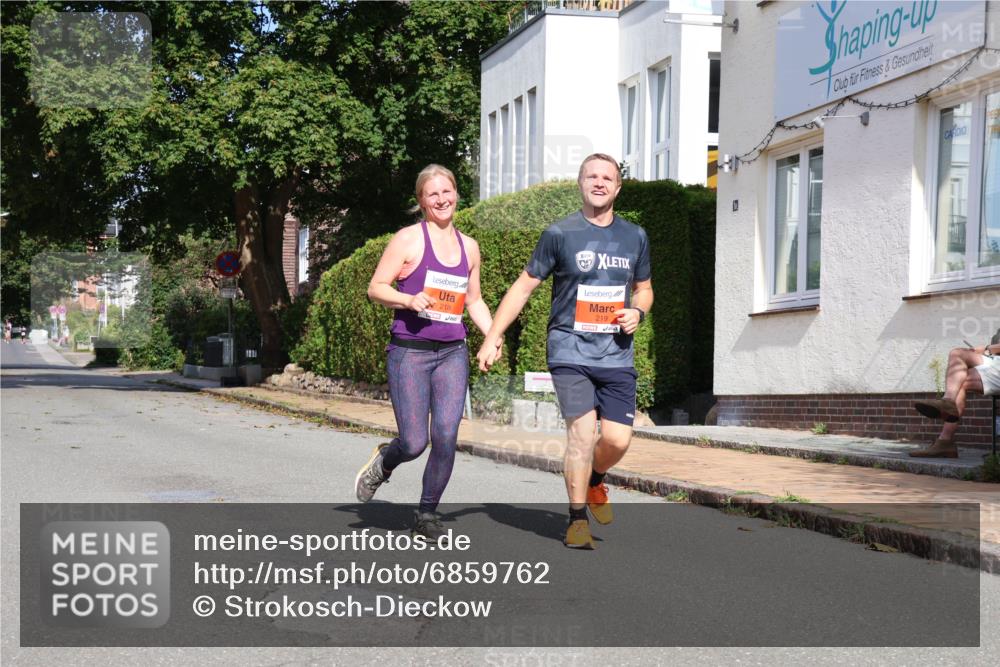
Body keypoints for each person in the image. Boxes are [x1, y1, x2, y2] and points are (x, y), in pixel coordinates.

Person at [477, 153, 653, 549]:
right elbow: (524, 286)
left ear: (617, 187)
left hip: (616, 353)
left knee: (618, 439)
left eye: (607, 177)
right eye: (591, 175)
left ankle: (594, 480)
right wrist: (493, 335)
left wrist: (638, 311)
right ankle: (576, 519)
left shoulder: (635, 236)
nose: (599, 182)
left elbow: (644, 288)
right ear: (580, 182)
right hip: (569, 349)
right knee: (580, 433)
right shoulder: (560, 233)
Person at [355, 164, 497, 542]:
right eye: (432, 194)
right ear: (421, 201)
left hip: (452, 352)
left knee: (447, 436)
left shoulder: (470, 247)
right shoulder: (407, 240)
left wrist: (493, 336)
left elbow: (475, 299)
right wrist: (407, 298)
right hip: (410, 352)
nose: (441, 199)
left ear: (456, 194)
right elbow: (376, 287)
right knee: (415, 442)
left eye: (446, 191)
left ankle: (427, 512)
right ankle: (385, 461)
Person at [910, 328, 1000, 458]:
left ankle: (945, 441)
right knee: (957, 354)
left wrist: (987, 349)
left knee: (960, 380)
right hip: (995, 363)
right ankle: (948, 403)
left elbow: (992, 348)